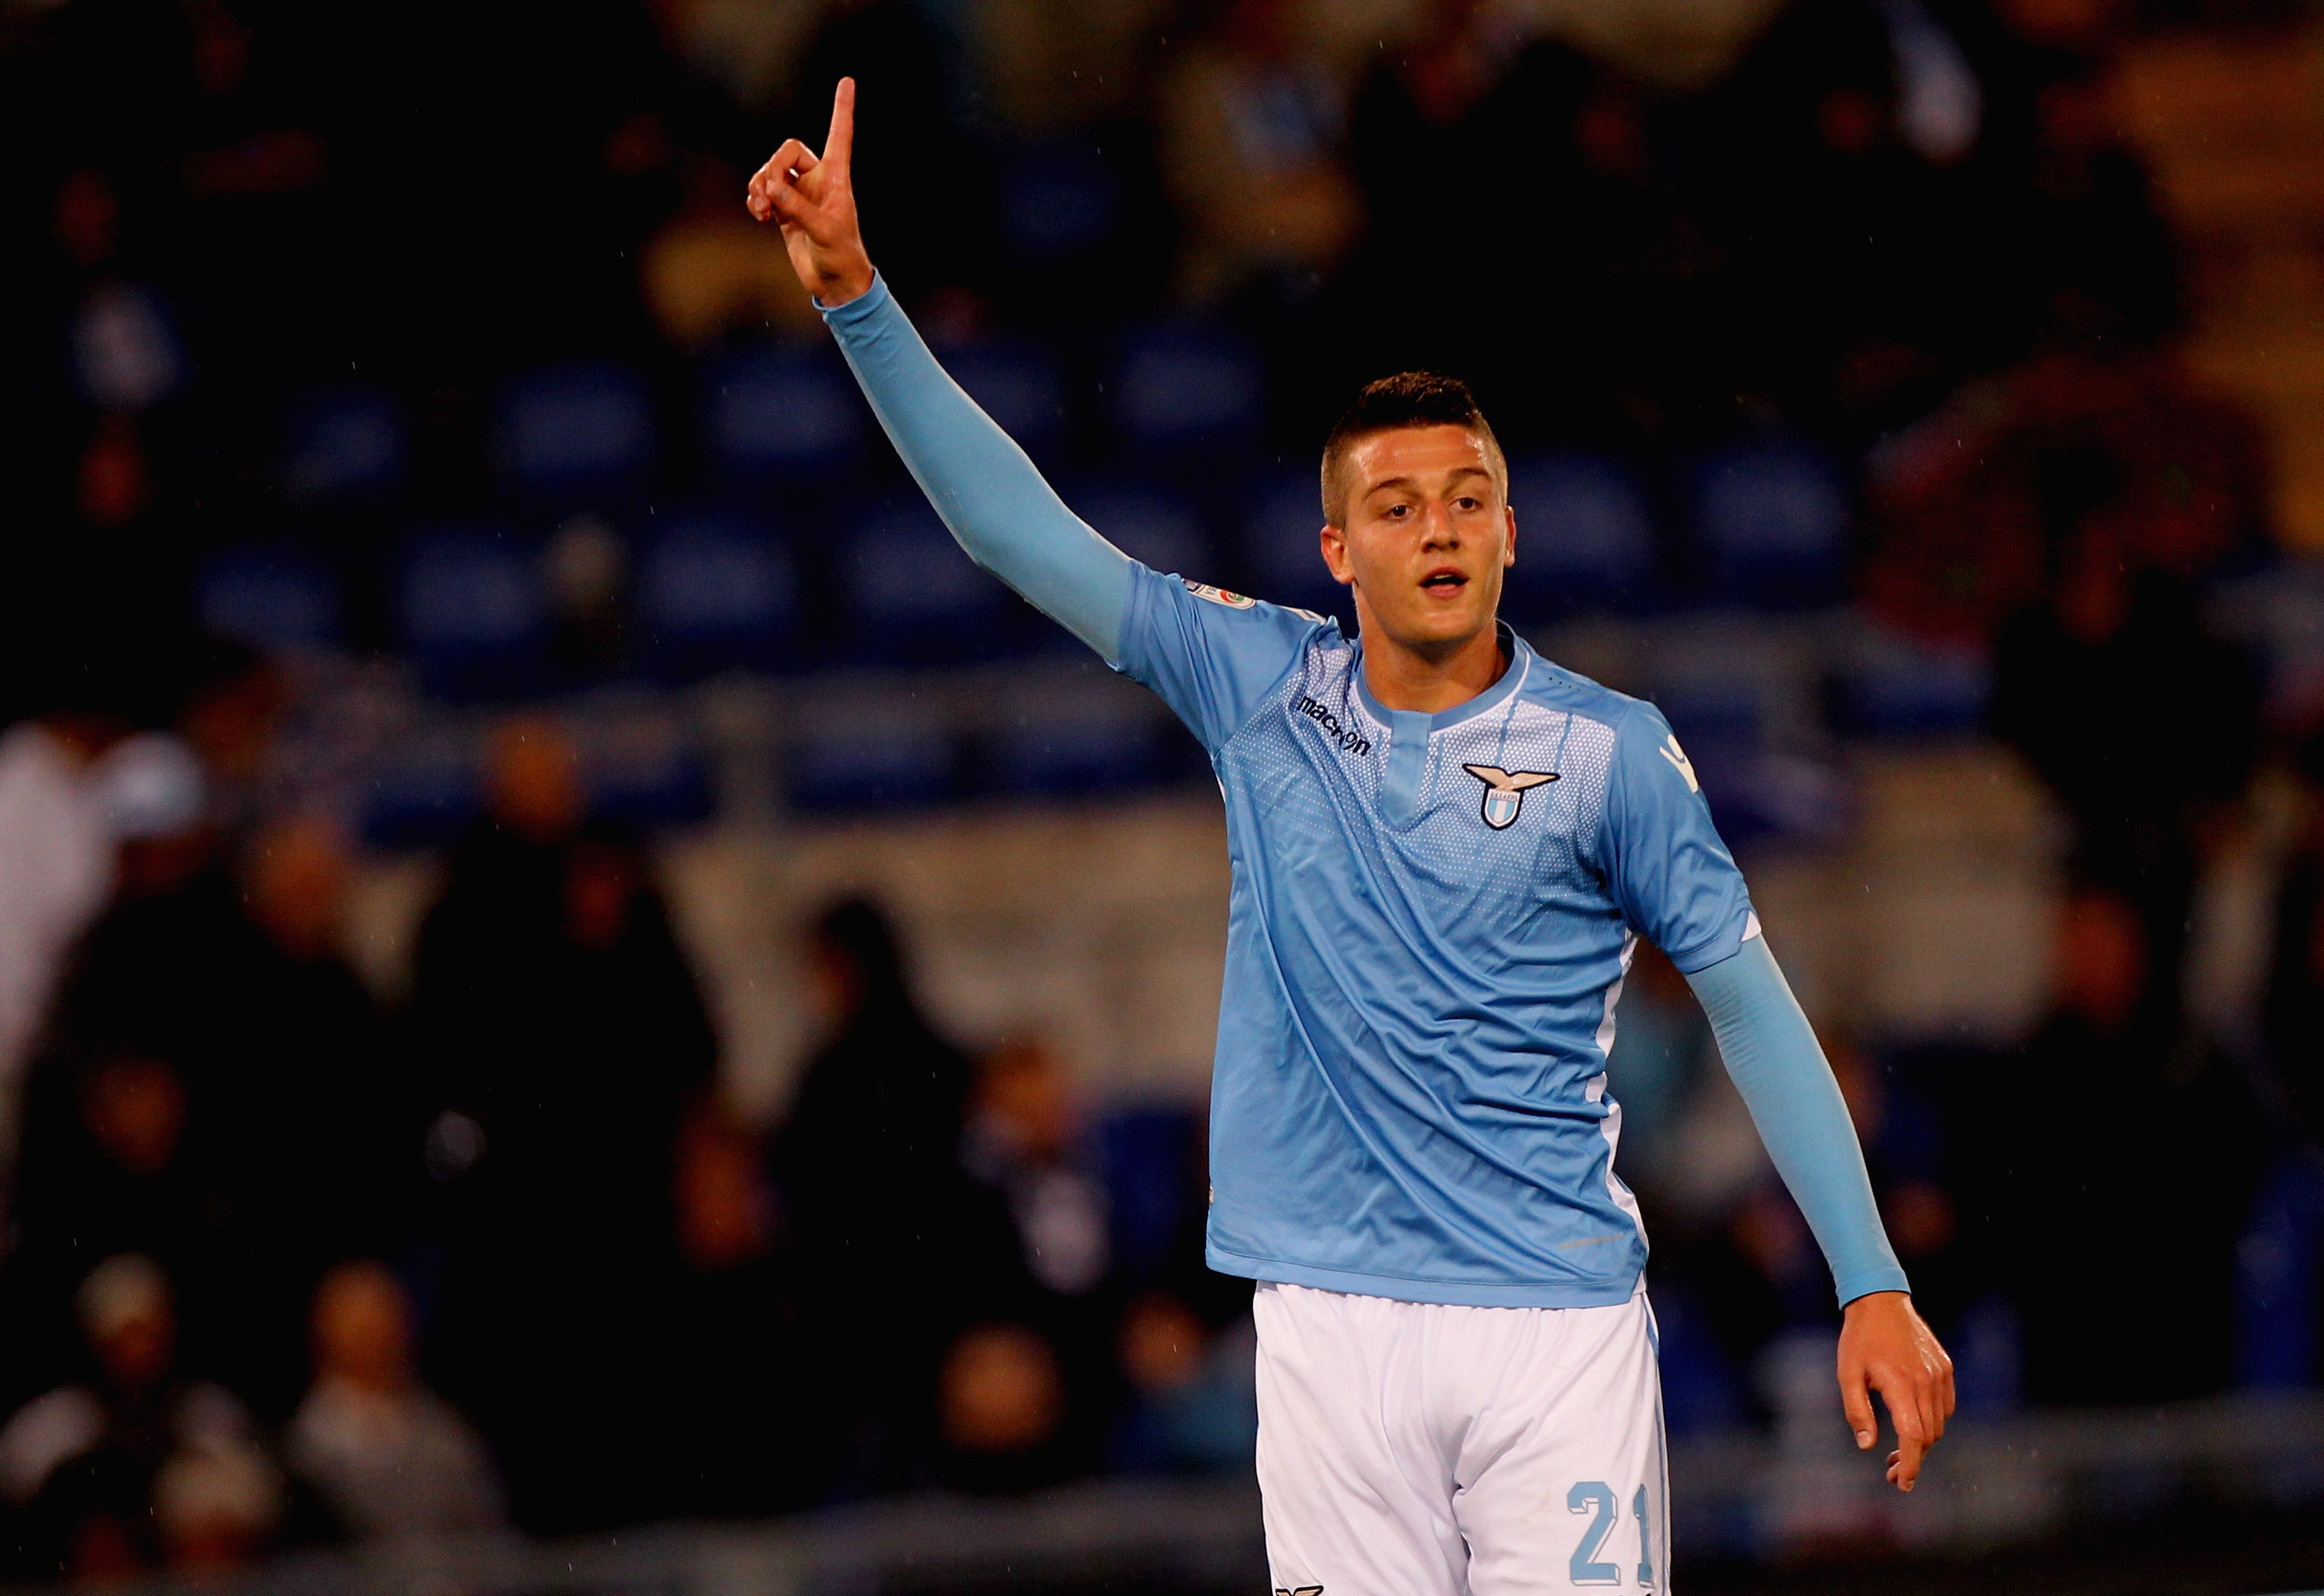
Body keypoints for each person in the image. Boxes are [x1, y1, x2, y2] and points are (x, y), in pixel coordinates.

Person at [746, 81, 1951, 1594]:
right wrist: (857, 299)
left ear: (1510, 530)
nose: (1437, 526)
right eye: (1397, 506)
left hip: (1555, 1330)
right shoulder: (1258, 683)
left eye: (1468, 498)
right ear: (1336, 549)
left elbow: (1749, 1002)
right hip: (1329, 1331)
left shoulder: (1613, 751)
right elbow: (1018, 534)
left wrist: (1869, 1278)